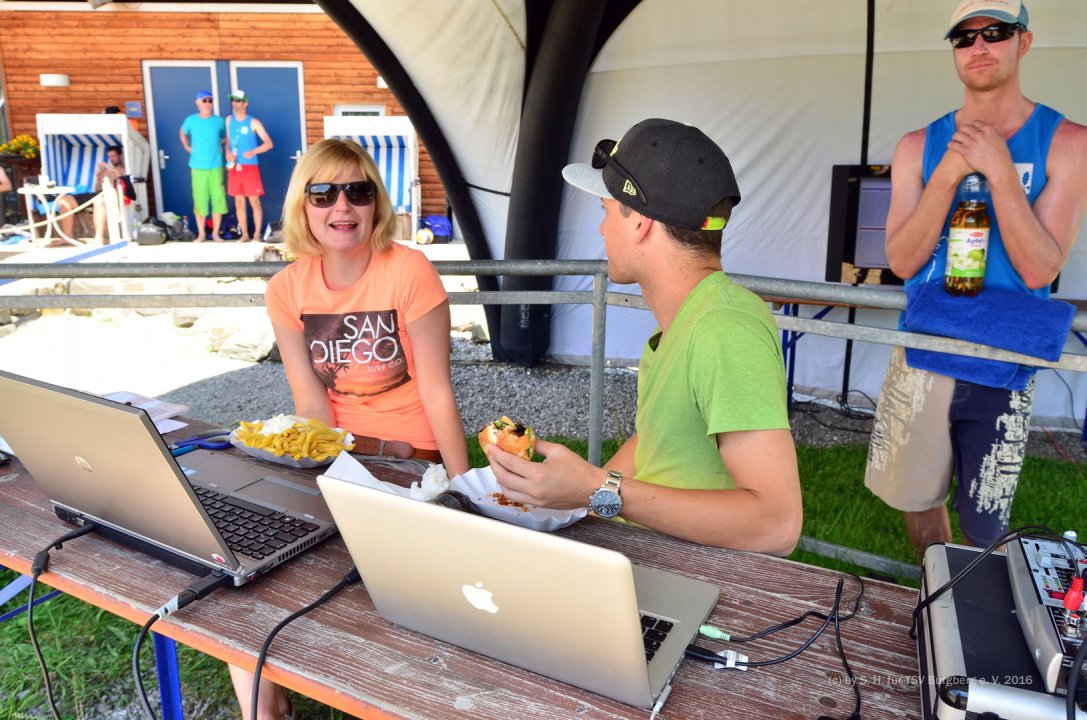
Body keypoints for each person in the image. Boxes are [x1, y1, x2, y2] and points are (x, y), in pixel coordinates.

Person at [228, 138, 469, 720]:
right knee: (245, 572)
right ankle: (267, 708)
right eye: (324, 193)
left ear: (376, 204)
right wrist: (314, 471)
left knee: (400, 598)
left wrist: (467, 491)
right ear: (303, 206)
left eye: (358, 192)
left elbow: (438, 391)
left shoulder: (409, 269)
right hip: (340, 460)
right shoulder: (287, 289)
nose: (342, 207)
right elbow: (312, 404)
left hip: (413, 459)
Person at [489, 118, 802, 553]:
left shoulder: (726, 329)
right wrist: (569, 506)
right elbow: (656, 443)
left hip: (703, 585)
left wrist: (599, 489)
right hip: (657, 560)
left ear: (638, 222)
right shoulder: (686, 321)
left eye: (605, 212)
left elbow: (777, 524)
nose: (601, 230)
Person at [864, 0, 1087, 555]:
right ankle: (936, 601)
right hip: (924, 345)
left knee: (984, 518)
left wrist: (998, 171)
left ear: (1024, 42)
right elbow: (902, 260)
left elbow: (1042, 266)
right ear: (954, 52)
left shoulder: (1069, 142)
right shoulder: (918, 146)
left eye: (995, 32)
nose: (979, 46)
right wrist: (948, 174)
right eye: (965, 38)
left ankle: (972, 611)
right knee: (918, 499)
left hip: (1004, 354)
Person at [54, 144, 130, 244]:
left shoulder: (125, 169)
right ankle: (67, 237)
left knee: (99, 200)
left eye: (114, 156)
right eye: (109, 157)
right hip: (98, 193)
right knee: (65, 199)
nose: (111, 159)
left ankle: (99, 238)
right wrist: (99, 177)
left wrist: (107, 167)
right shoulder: (107, 171)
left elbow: (122, 179)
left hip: (112, 195)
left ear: (120, 156)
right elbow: (96, 189)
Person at [226, 88, 274, 241]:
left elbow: (268, 143)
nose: (234, 102)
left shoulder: (253, 122)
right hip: (233, 166)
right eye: (233, 100)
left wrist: (253, 152)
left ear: (245, 103)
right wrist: (227, 152)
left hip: (250, 167)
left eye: (238, 100)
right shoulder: (228, 120)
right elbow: (227, 142)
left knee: (254, 201)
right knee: (238, 201)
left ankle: (256, 234)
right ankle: (244, 234)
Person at [179, 90, 227, 242]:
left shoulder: (219, 121)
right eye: (204, 100)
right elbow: (182, 131)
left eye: (210, 100)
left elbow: (226, 136)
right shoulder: (191, 120)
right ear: (197, 103)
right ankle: (201, 234)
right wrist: (186, 146)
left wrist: (221, 142)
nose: (207, 103)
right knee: (200, 199)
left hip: (216, 166)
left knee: (218, 199)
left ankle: (215, 233)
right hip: (197, 166)